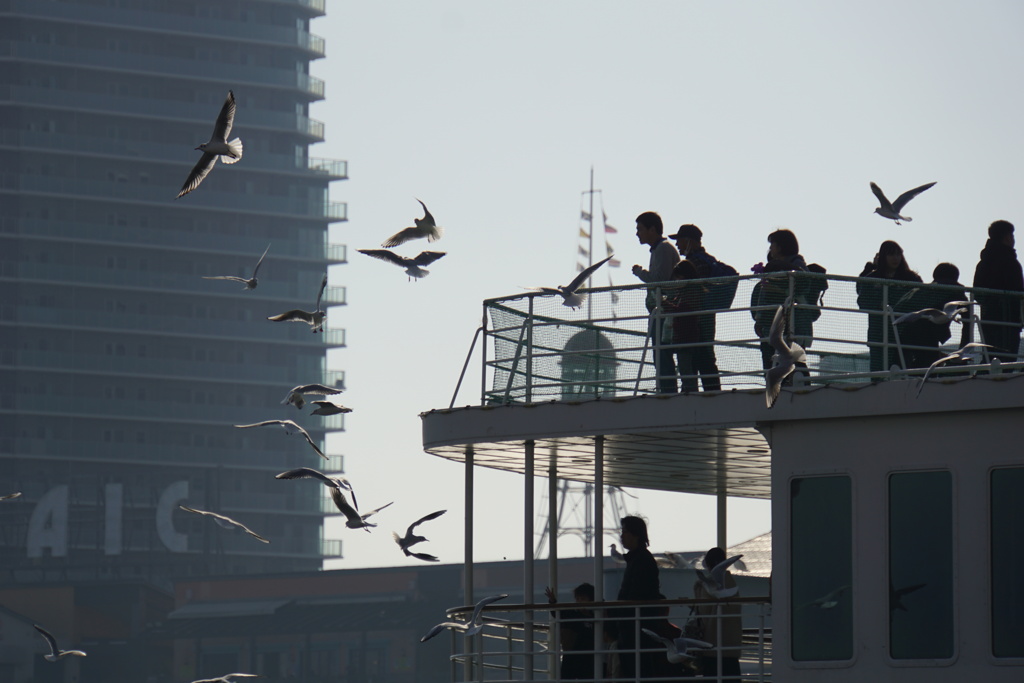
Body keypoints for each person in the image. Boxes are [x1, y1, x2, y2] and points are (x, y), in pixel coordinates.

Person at [672, 224, 738, 391]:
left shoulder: (695, 262)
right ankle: (711, 391)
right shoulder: (706, 259)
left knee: (700, 355)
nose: (677, 244)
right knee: (706, 354)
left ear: (689, 241)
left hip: (697, 316)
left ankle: (701, 391)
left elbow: (696, 291)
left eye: (679, 240)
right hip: (707, 314)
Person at [610, 515, 678, 679]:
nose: (621, 536)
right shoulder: (640, 558)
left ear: (636, 534)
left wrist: (616, 612)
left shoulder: (641, 561)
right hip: (636, 625)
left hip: (636, 626)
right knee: (638, 668)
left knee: (637, 668)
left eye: (625, 532)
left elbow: (636, 594)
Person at [750, 229, 817, 371]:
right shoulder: (796, 266)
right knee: (784, 363)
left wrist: (779, 291)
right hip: (779, 325)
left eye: (772, 245)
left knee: (788, 364)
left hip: (789, 325)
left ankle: (786, 389)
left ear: (780, 247)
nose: (770, 249)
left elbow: (802, 288)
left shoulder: (795, 267)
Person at [632, 212, 681, 393]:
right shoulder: (659, 249)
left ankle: (668, 389)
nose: (637, 233)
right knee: (660, 353)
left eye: (640, 229)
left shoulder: (663, 249)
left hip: (665, 312)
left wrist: (640, 272)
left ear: (652, 229)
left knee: (662, 353)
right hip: (659, 311)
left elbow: (659, 279)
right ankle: (665, 387)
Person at [856, 241, 923, 373]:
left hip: (905, 331)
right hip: (878, 331)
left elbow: (921, 299)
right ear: (883, 257)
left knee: (904, 368)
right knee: (878, 372)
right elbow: (862, 302)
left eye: (898, 254)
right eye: (891, 255)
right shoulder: (873, 277)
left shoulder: (911, 278)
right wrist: (879, 305)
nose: (895, 258)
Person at [899, 262, 969, 368]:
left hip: (904, 332)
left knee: (917, 365)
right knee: (927, 365)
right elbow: (968, 324)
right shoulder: (956, 292)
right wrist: (962, 352)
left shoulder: (920, 291)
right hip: (928, 334)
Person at [973, 220, 1024, 362]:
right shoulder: (1010, 262)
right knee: (1007, 359)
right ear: (1007, 237)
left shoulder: (983, 262)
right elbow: (1018, 291)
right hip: (1008, 319)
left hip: (988, 317)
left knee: (989, 357)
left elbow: (977, 292)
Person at [693, 547, 743, 682]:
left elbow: (704, 612)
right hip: (731, 646)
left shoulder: (706, 585)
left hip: (712, 646)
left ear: (709, 564)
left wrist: (697, 590)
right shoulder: (732, 583)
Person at [662, 260, 702, 392]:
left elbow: (682, 311)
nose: (676, 280)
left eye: (679, 277)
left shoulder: (691, 291)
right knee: (685, 367)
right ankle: (688, 390)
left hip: (686, 337)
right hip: (685, 336)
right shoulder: (687, 291)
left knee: (685, 368)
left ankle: (689, 391)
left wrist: (664, 303)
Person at [544, 582, 597, 680]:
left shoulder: (595, 616)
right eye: (577, 599)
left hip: (588, 657)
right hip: (572, 655)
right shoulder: (572, 613)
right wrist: (552, 601)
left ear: (591, 600)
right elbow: (557, 613)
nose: (579, 602)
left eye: (583, 599)